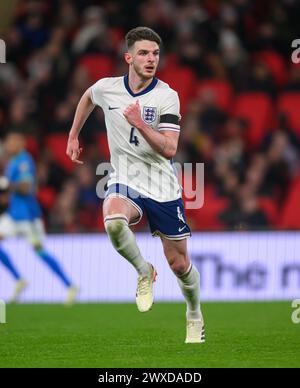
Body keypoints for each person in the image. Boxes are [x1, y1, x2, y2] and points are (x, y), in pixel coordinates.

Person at [67, 26, 205, 343]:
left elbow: (170, 149)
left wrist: (139, 122)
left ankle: (194, 313)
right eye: (143, 53)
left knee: (180, 264)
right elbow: (88, 97)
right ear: (128, 57)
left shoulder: (167, 96)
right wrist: (74, 134)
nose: (151, 59)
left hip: (161, 186)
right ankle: (144, 271)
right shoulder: (108, 88)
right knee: (113, 221)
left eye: (155, 53)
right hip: (124, 177)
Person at [0, 130, 78, 305]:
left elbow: (26, 188)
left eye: (11, 141)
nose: (8, 145)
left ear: (20, 143)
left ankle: (69, 285)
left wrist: (6, 185)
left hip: (28, 217)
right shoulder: (13, 162)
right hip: (14, 215)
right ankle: (19, 279)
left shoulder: (24, 161)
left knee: (40, 252)